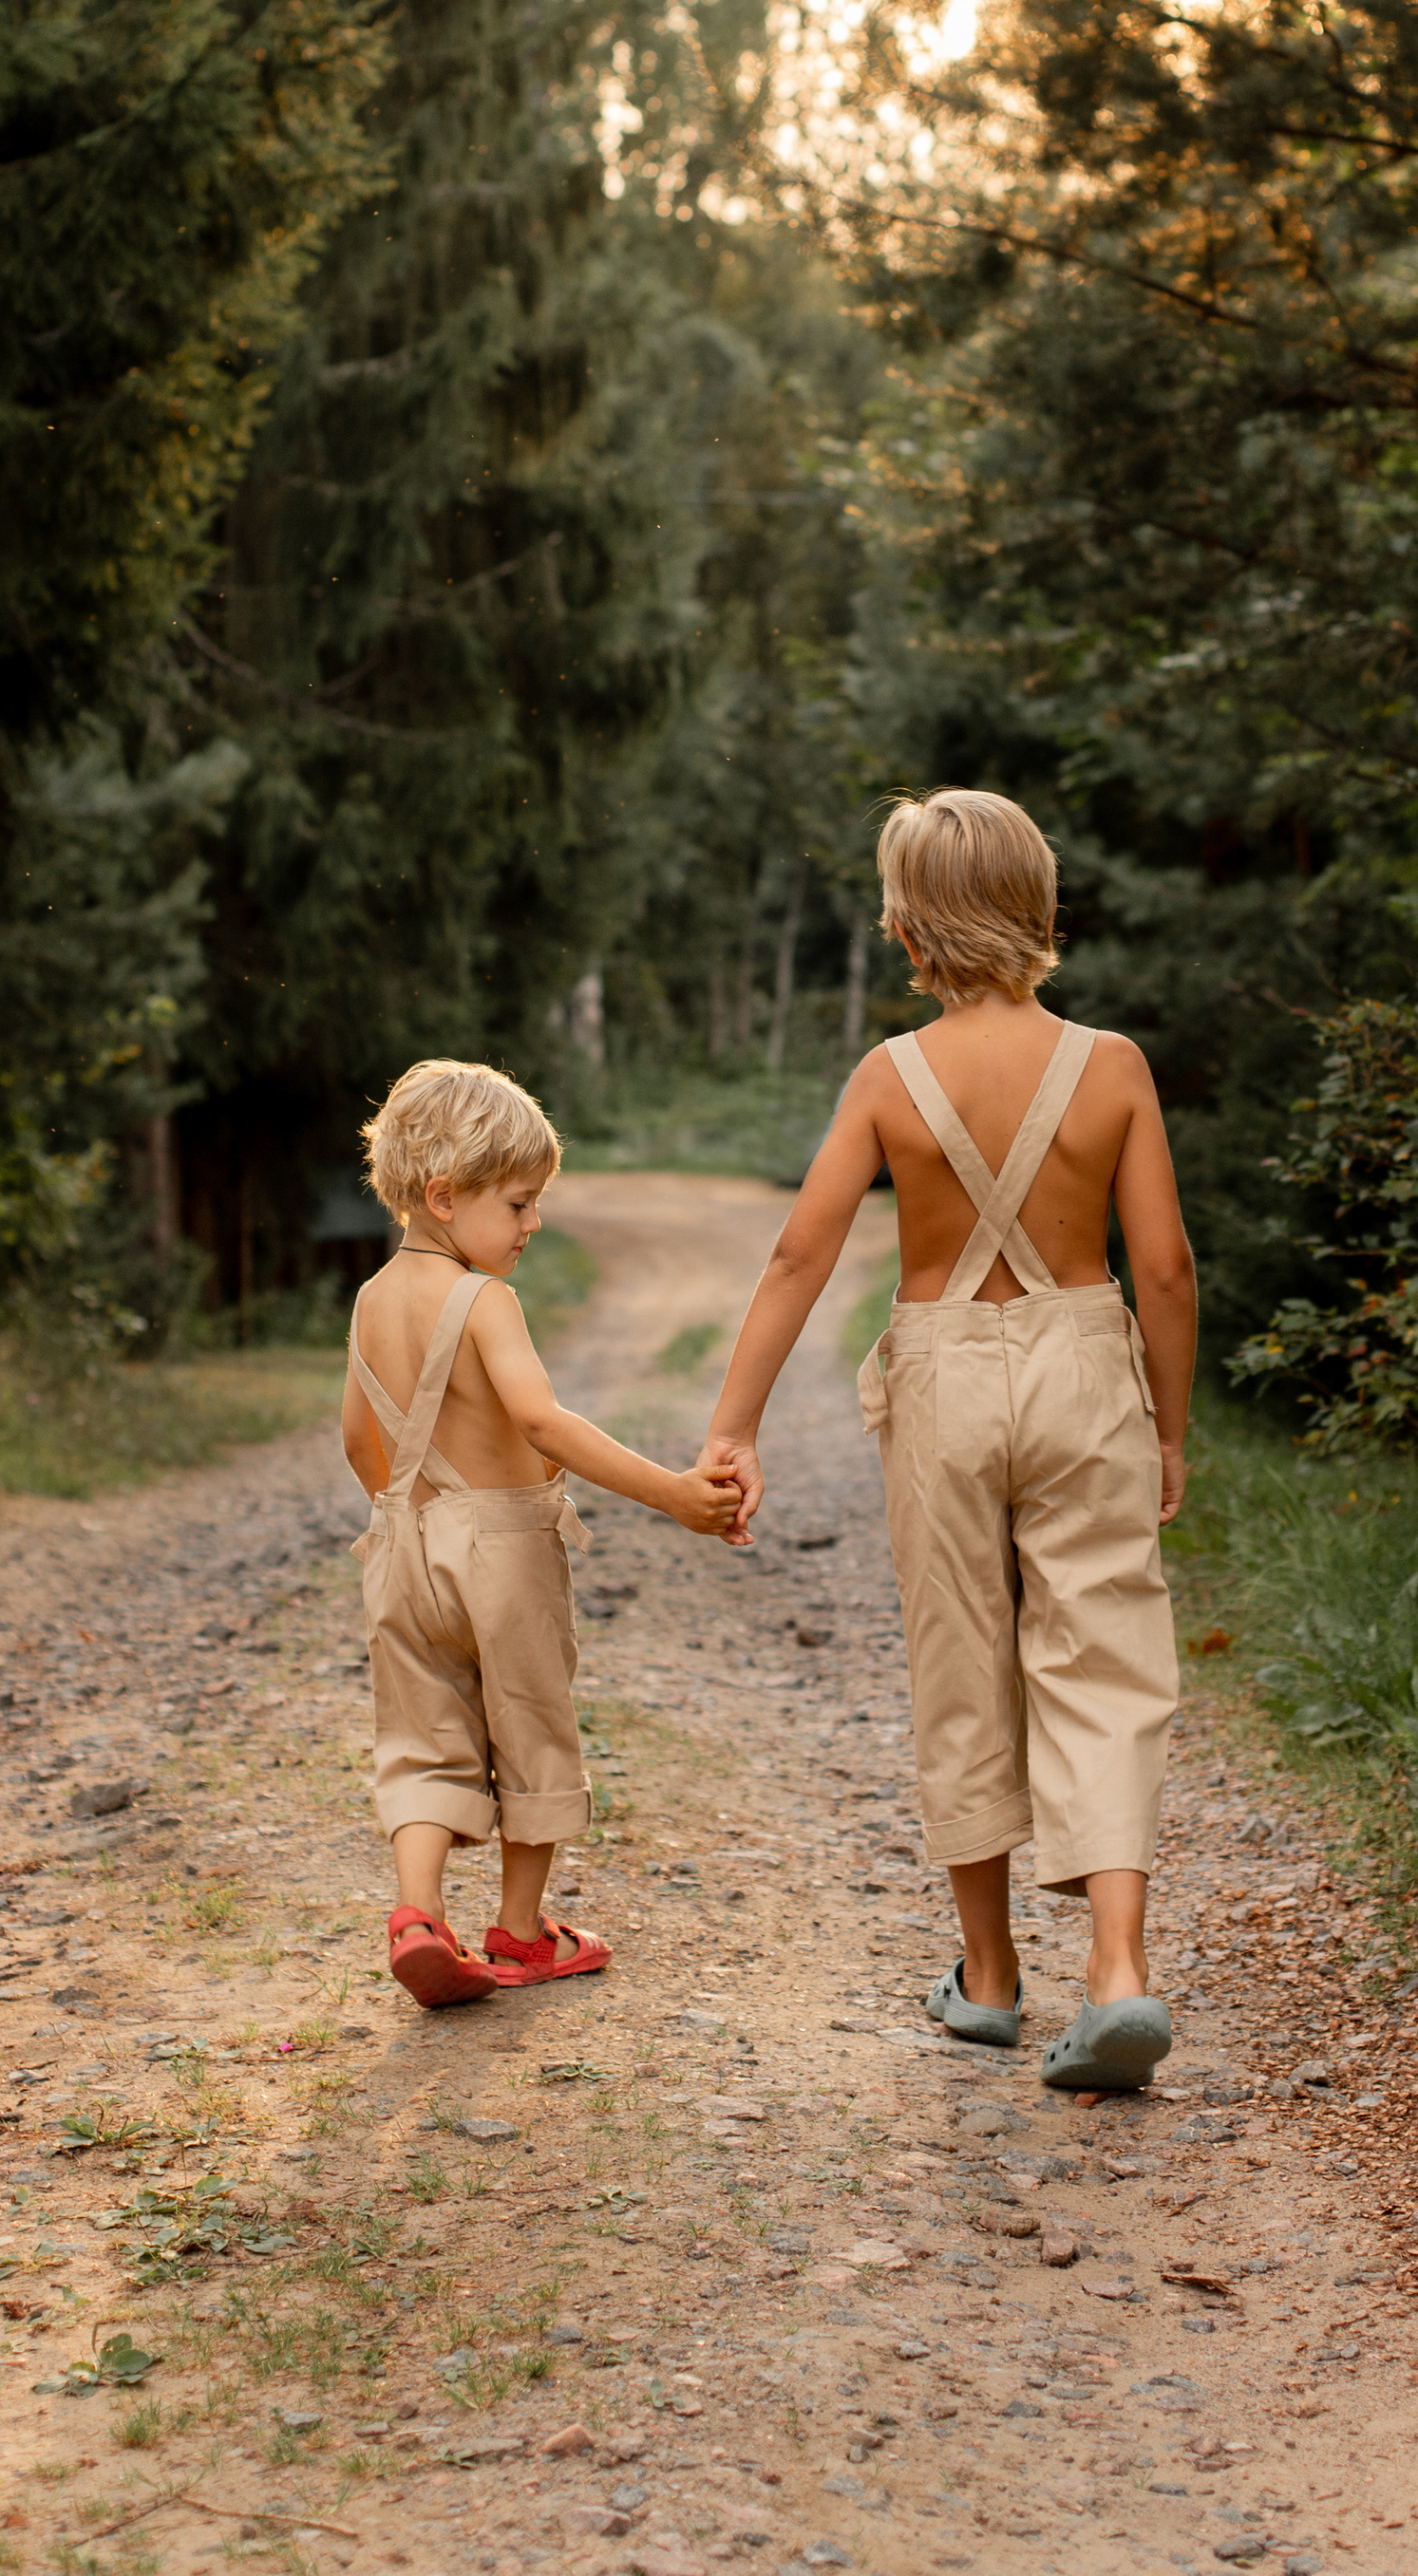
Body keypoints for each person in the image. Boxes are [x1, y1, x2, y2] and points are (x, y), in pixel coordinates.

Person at [701, 790, 1197, 2091]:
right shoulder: (1114, 1066)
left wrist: (735, 1424)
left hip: (942, 1379)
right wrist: (1173, 1426)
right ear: (1038, 905)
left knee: (961, 1653)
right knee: (1105, 1646)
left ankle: (987, 1980)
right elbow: (1166, 1265)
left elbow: (801, 1250)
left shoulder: (889, 1076)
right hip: (1087, 1360)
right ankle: (1118, 1970)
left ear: (907, 921)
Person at [344, 1056, 749, 2009]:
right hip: (502, 1546)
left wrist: (406, 1515)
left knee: (421, 1731)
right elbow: (541, 1419)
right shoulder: (486, 1300)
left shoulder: (369, 1299)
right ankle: (521, 1934)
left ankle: (416, 1914)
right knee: (529, 1724)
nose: (533, 1224)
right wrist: (675, 1494)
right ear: (444, 1196)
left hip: (402, 1540)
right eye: (520, 1204)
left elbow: (357, 1437)